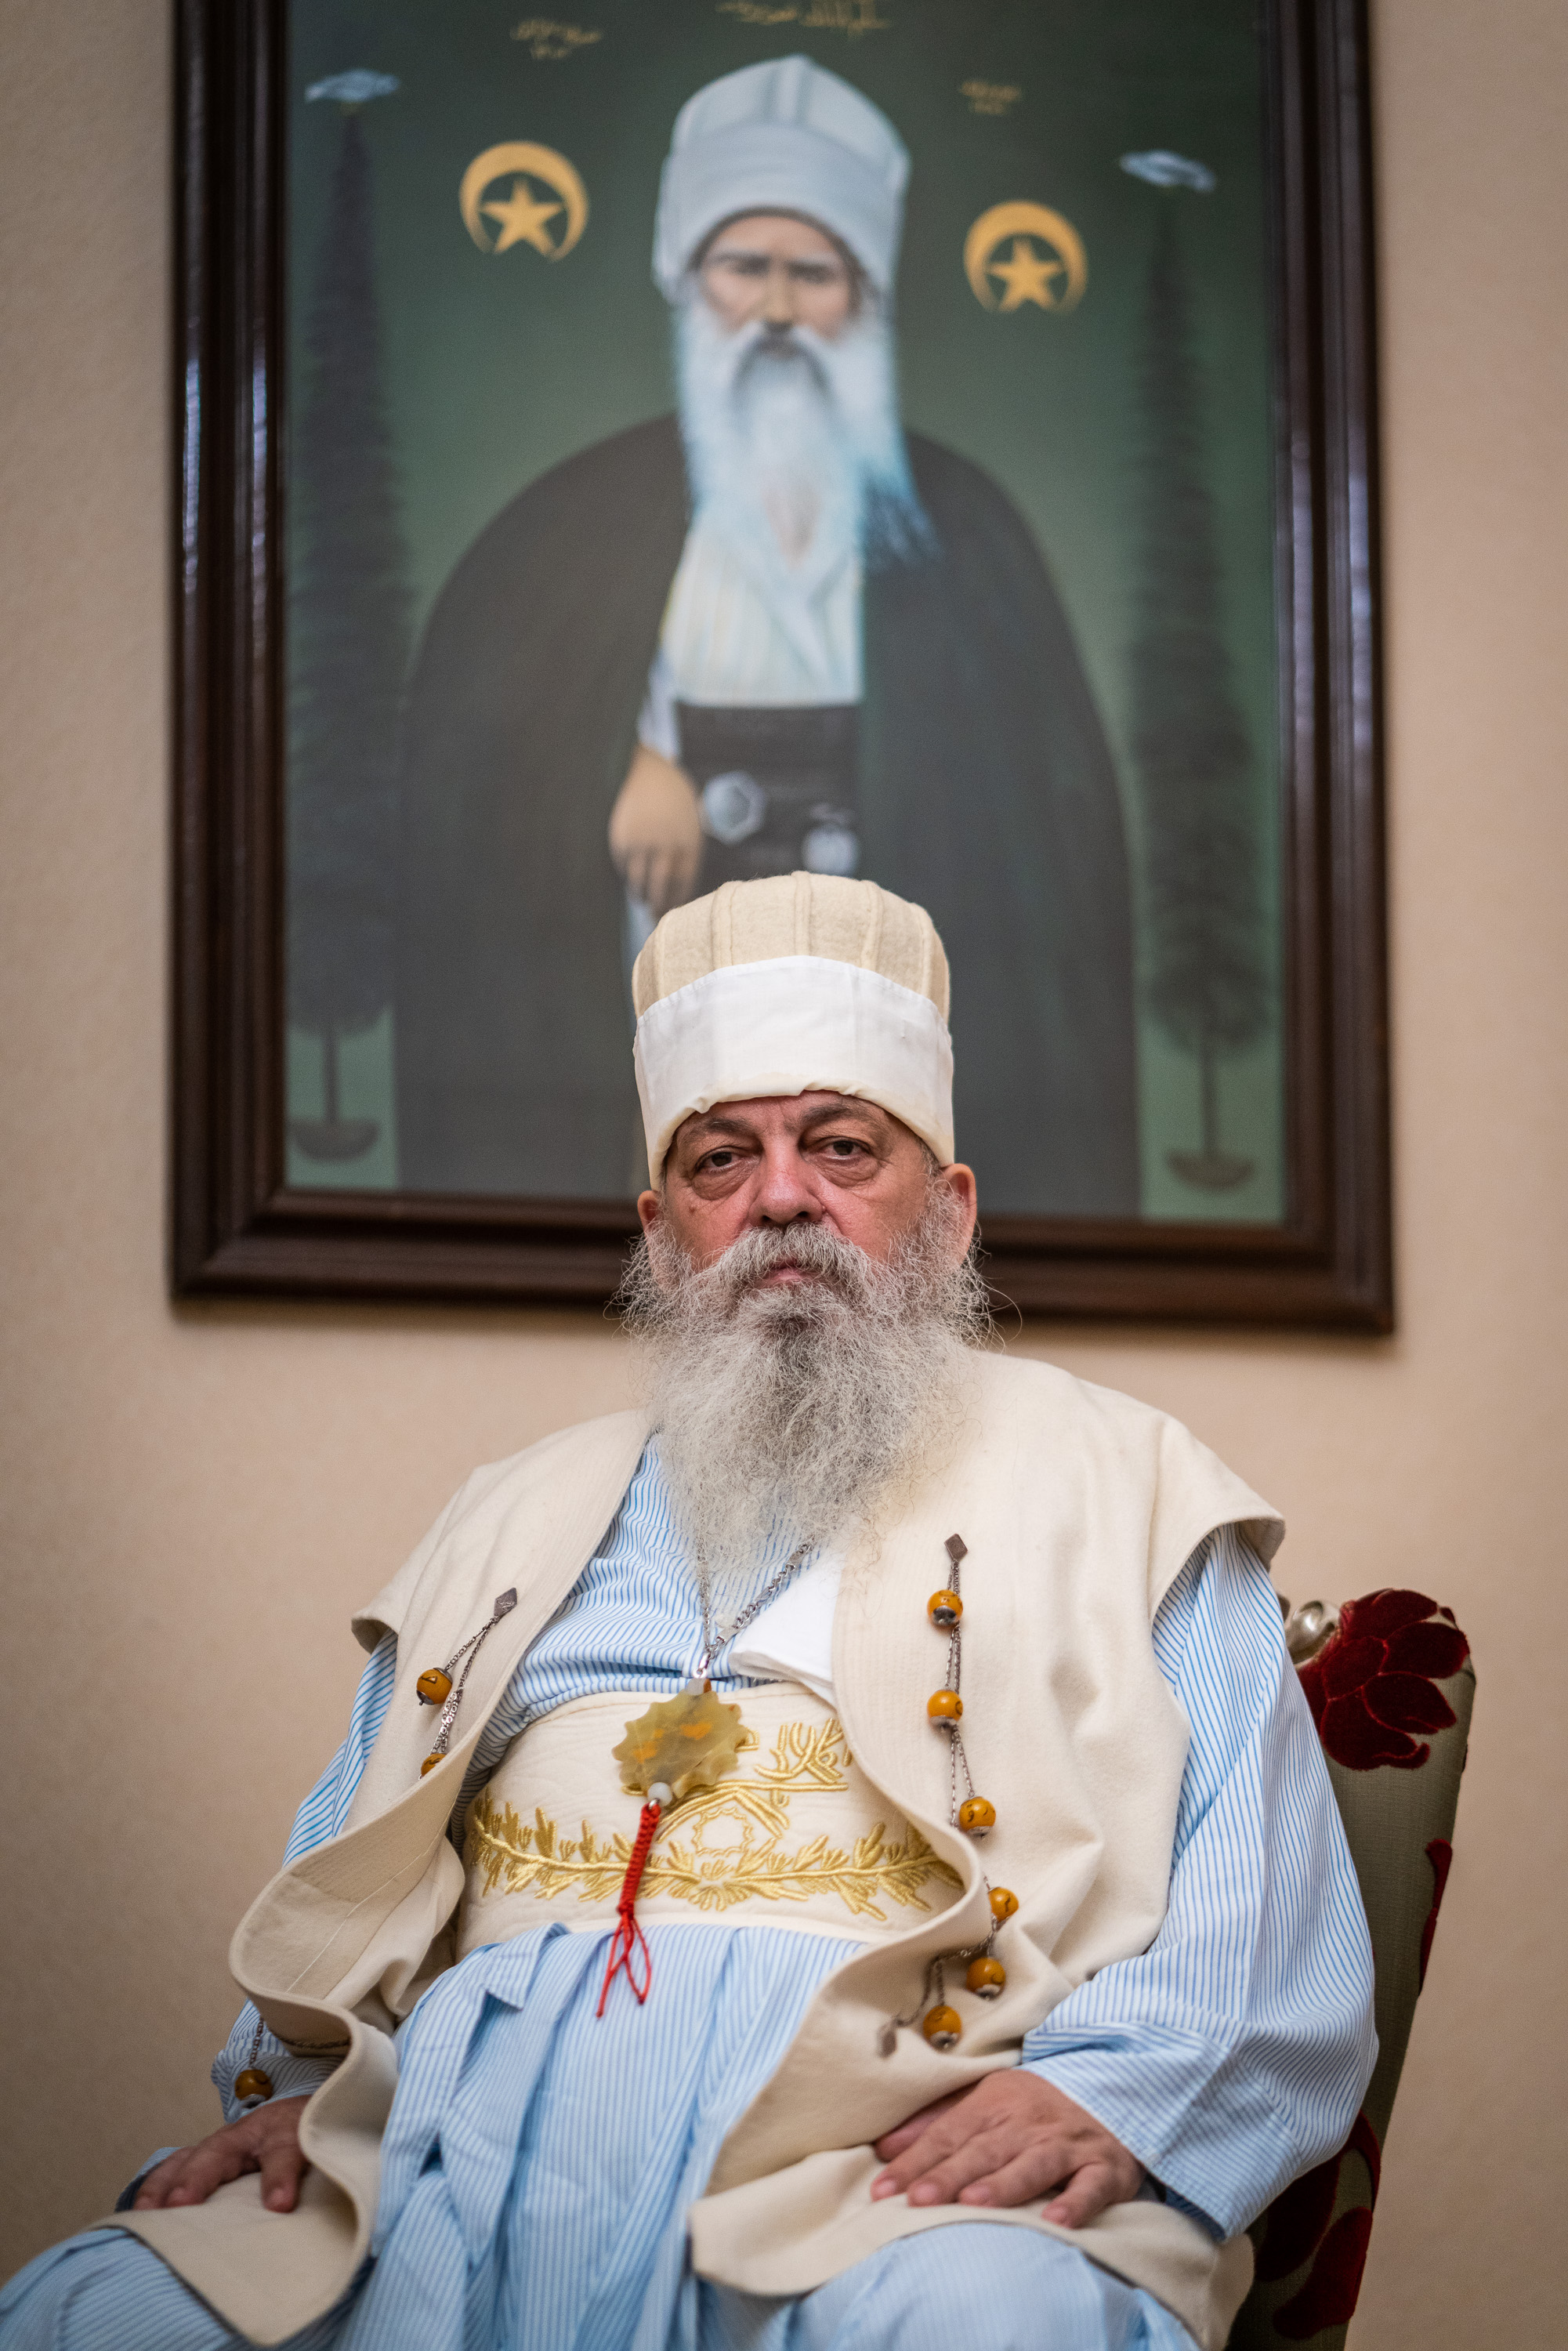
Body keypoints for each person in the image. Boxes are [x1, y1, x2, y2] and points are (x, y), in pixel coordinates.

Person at [0, 875, 1374, 2351]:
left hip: (883, 2180)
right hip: (442, 2170)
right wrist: (293, 2100)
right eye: (725, 1161)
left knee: (995, 2320)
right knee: (101, 2311)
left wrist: (1106, 2093)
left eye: (844, 1146)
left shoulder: (1134, 1488)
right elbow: (346, 1876)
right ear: (664, 1237)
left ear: (951, 1210)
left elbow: (1262, 1906)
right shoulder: (501, 1520)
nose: (784, 1197)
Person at [395, 54, 1139, 1216]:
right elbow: (472, 777)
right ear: (689, 284)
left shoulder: (969, 535)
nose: (779, 309)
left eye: (815, 273)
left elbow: (1046, 857)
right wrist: (613, 766)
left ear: (866, 297)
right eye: (745, 267)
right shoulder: (568, 529)